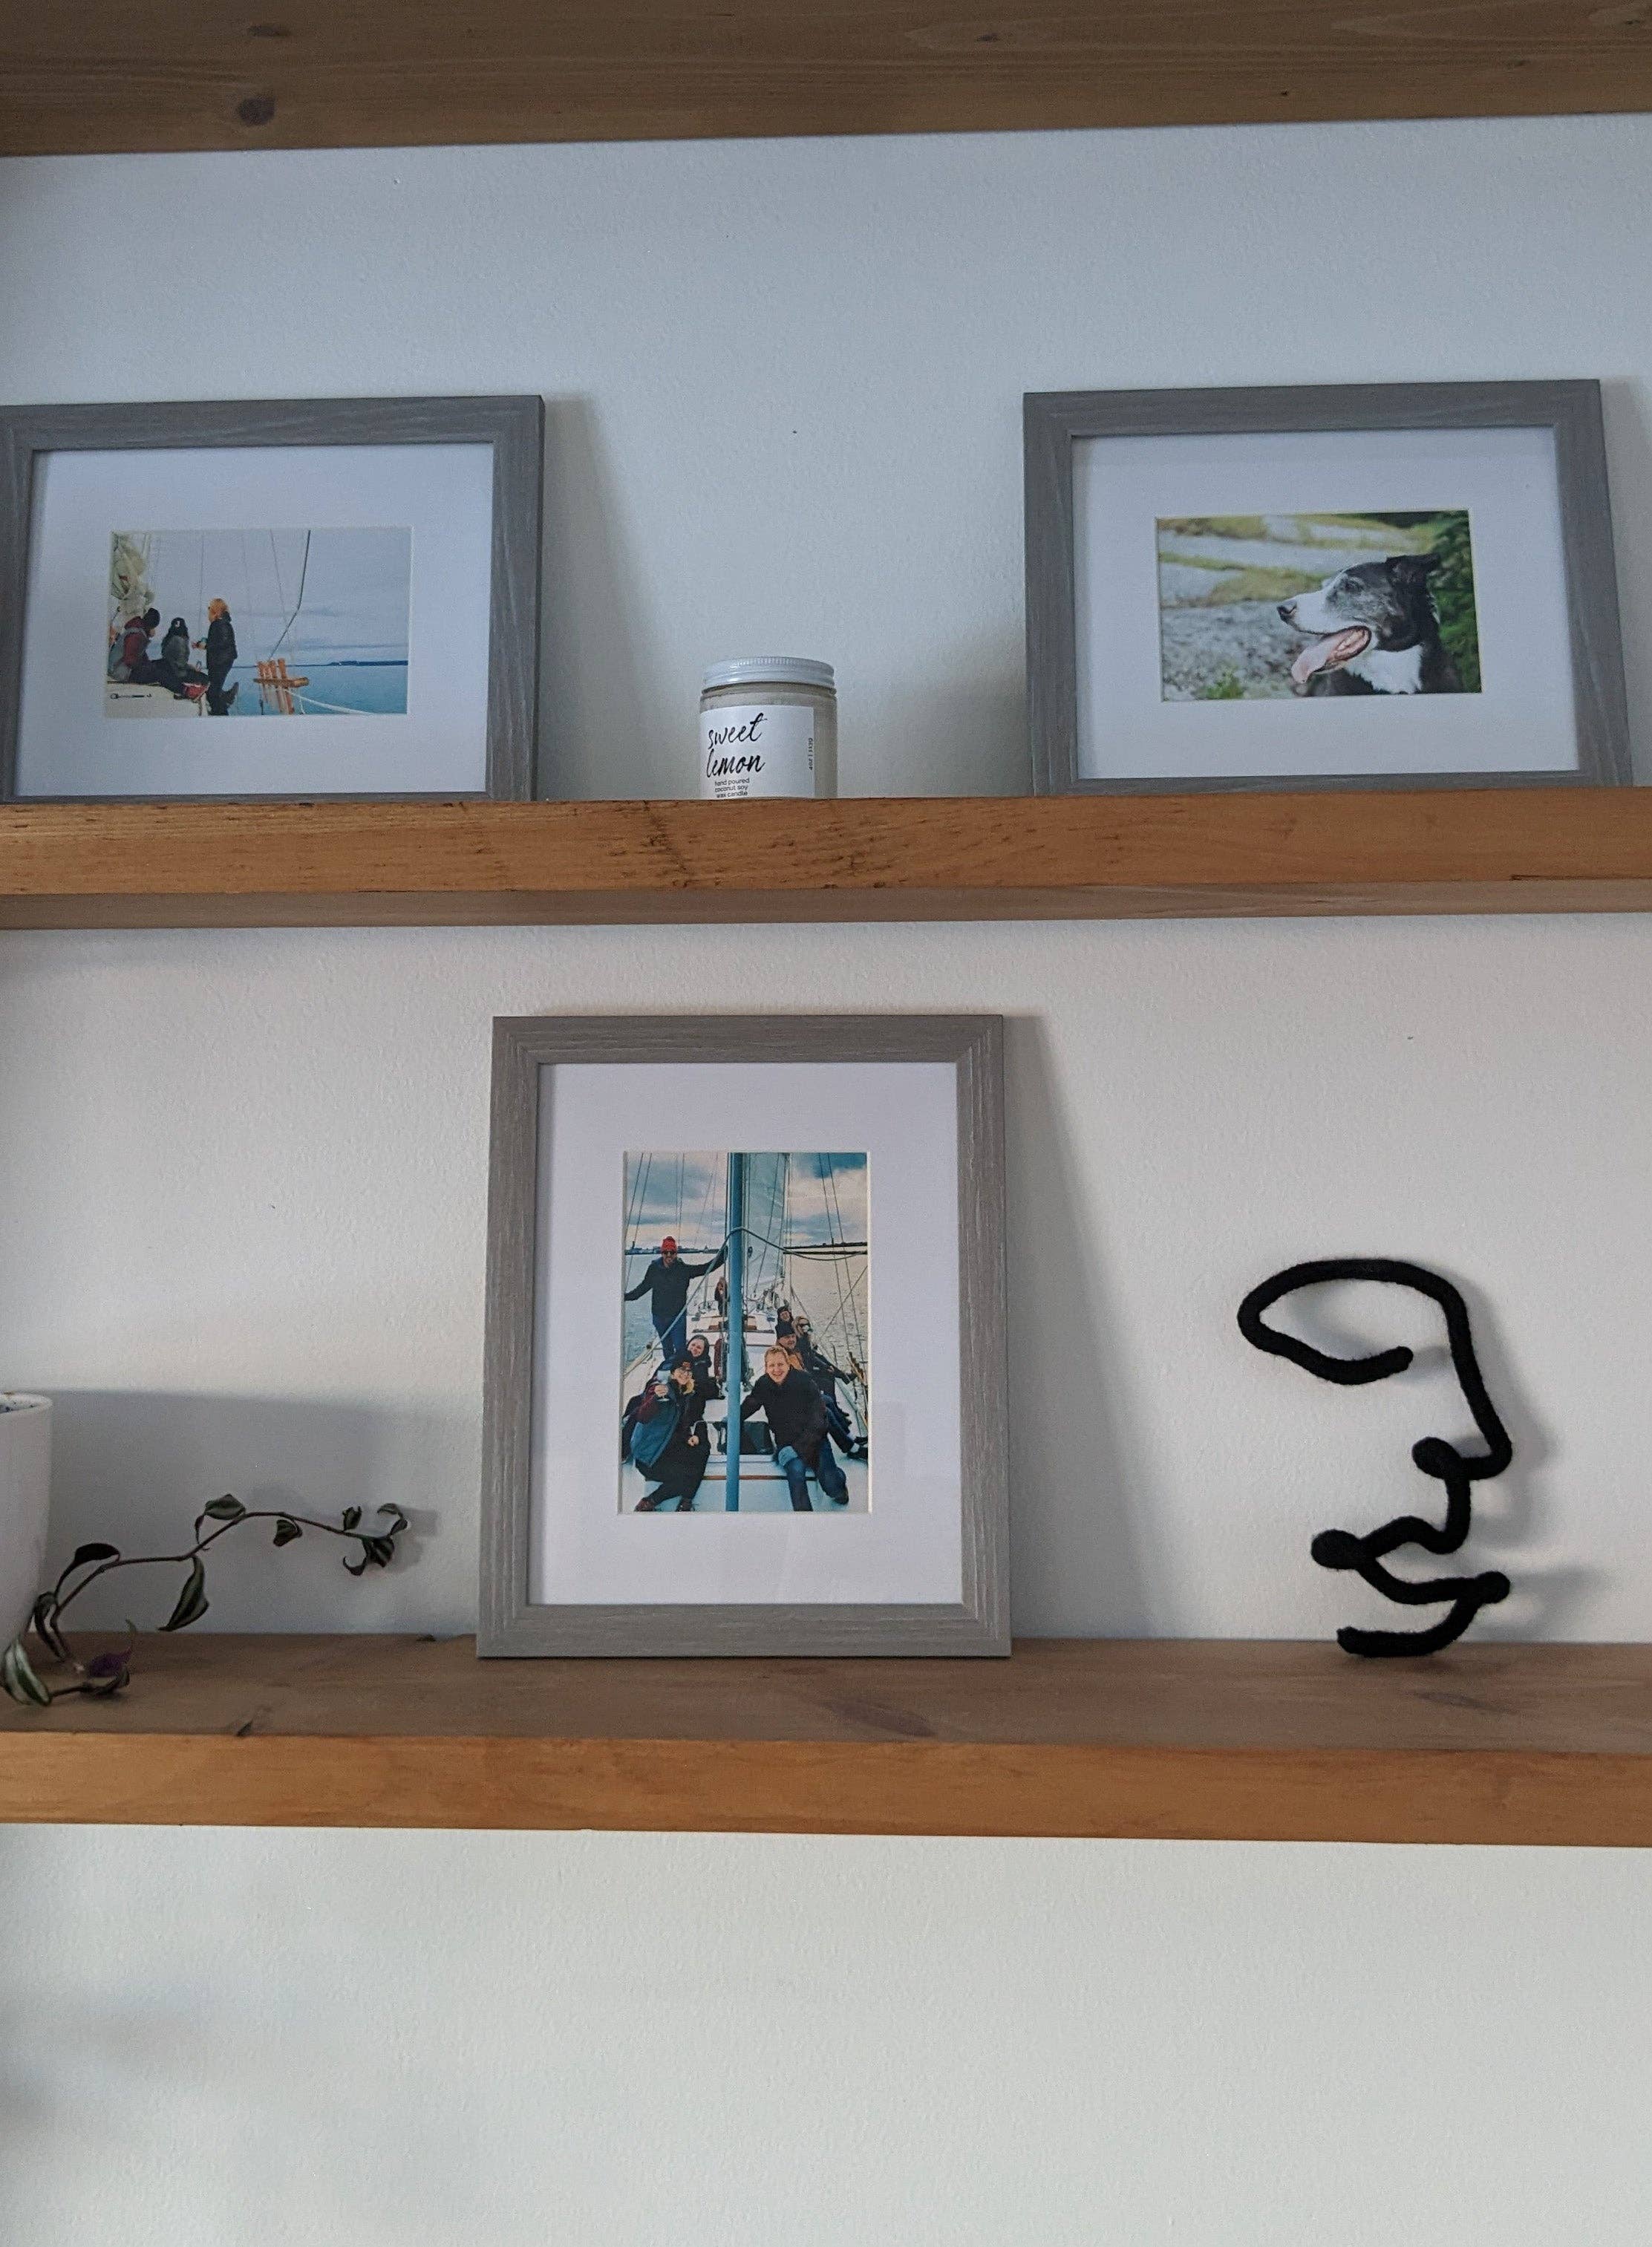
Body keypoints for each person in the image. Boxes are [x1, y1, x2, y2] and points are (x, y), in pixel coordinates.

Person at [740, 1343, 849, 1511]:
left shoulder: (804, 1381)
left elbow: (819, 1421)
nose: (776, 1370)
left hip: (815, 1441)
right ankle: (803, 1519)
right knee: (796, 1475)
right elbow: (752, 1404)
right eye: (772, 1365)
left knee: (831, 1484)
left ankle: (839, 1481)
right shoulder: (763, 1384)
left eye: (780, 1364)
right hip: (786, 1442)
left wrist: (798, 1448)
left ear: (788, 1364)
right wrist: (734, 1418)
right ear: (766, 1367)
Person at [624, 1233, 725, 1366]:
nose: (669, 1255)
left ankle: (681, 1371)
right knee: (667, 1350)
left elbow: (704, 1268)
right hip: (659, 1317)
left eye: (672, 1252)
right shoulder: (654, 1269)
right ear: (662, 1253)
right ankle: (671, 1372)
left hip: (678, 1318)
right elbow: (642, 1289)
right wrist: (625, 1297)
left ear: (676, 1253)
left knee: (680, 1349)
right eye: (665, 1252)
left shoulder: (682, 1269)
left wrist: (722, 1257)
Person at [628, 1360, 711, 1513]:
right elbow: (642, 1416)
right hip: (649, 1457)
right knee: (690, 1475)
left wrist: (688, 1437)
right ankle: (652, 1501)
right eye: (681, 1370)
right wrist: (655, 1398)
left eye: (689, 1372)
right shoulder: (660, 1389)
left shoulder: (684, 1394)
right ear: (672, 1373)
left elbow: (678, 1426)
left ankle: (685, 1501)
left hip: (666, 1450)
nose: (685, 1374)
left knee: (703, 1449)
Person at [197, 598, 240, 715]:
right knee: (214, 688)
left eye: (209, 610)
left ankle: (221, 713)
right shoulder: (223, 623)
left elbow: (222, 643)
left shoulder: (219, 624)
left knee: (213, 692)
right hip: (222, 660)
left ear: (214, 611)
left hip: (221, 661)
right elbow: (219, 641)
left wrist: (206, 645)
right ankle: (225, 699)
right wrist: (202, 644)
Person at [157, 616, 208, 695]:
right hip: (178, 673)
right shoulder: (180, 641)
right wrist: (192, 668)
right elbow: (181, 664)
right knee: (205, 679)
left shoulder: (168, 639)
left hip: (170, 670)